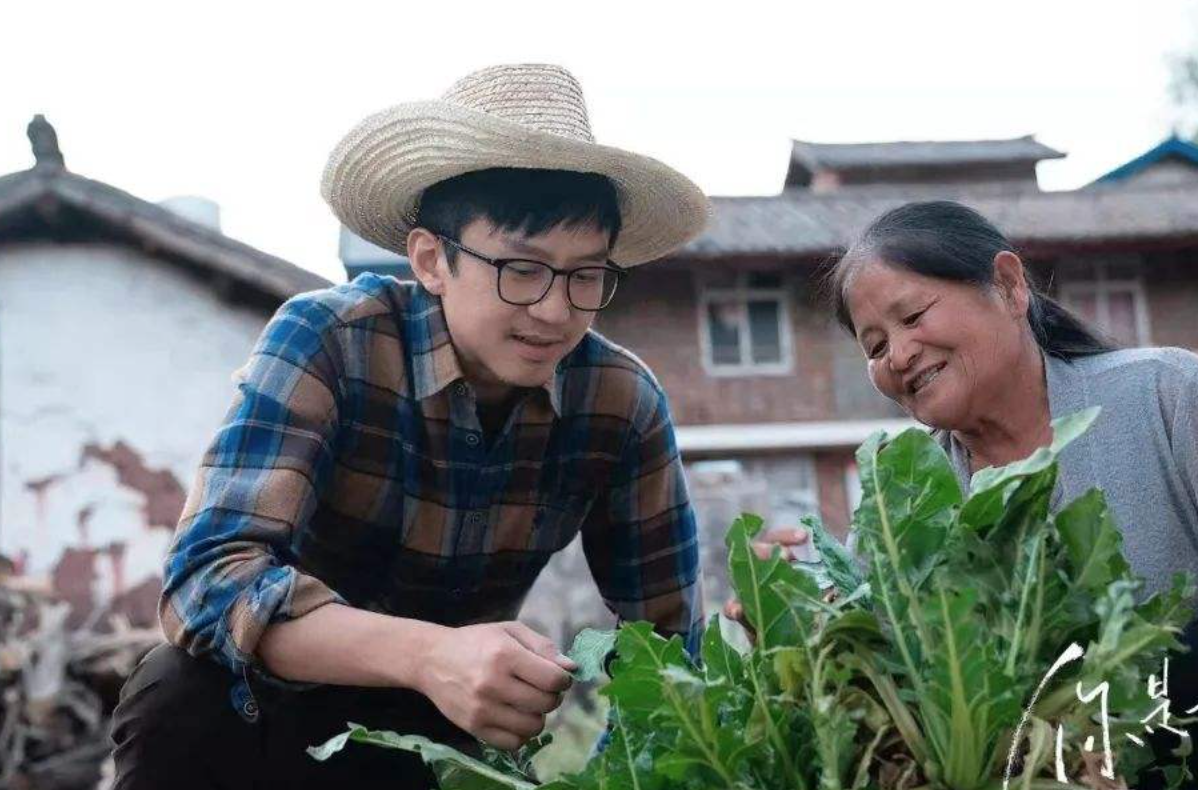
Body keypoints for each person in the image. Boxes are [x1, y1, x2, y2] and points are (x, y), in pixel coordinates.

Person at [110, 63, 711, 790]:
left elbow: (668, 645)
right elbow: (206, 581)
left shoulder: (619, 401)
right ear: (431, 259)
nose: (556, 310)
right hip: (265, 705)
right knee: (174, 692)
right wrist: (429, 655)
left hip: (447, 732)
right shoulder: (330, 339)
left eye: (586, 275)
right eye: (523, 269)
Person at [827, 199, 1198, 787]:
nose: (898, 355)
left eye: (914, 315)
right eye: (874, 347)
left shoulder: (1168, 396)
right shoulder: (903, 506)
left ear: (1008, 285)